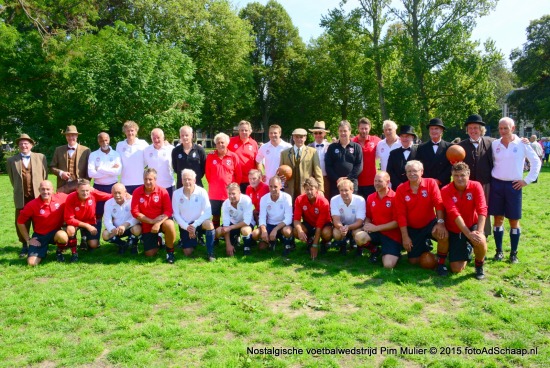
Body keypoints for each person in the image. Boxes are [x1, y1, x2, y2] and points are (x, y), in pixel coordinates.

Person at [489, 117, 541, 264]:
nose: (502, 131)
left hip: (514, 186)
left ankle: (513, 253)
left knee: (513, 220)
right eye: (500, 128)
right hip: (497, 185)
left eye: (506, 128)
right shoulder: (494, 144)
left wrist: (527, 180)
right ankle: (499, 251)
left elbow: (536, 161)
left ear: (513, 128)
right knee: (498, 219)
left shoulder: (522, 143)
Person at [394, 160, 449, 275]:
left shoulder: (431, 183)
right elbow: (401, 214)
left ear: (422, 172)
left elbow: (438, 203)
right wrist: (405, 237)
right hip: (413, 228)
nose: (411, 173)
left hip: (430, 223)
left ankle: (441, 263)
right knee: (413, 261)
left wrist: (440, 223)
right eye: (409, 171)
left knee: (443, 235)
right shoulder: (401, 189)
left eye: (415, 171)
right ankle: (425, 247)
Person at [441, 162, 488, 280]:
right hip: (455, 228)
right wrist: (468, 234)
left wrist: (480, 232)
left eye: (462, 175)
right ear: (452, 175)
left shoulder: (476, 186)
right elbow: (453, 213)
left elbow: (482, 208)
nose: (459, 178)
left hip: (473, 224)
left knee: (480, 240)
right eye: (456, 175)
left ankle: (479, 266)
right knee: (456, 269)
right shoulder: (446, 189)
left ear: (468, 175)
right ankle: (468, 248)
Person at [7, 133, 48, 258]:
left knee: (39, 219)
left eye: (26, 143)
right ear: (18, 146)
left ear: (31, 145)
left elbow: (44, 175)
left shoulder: (40, 157)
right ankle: (24, 244)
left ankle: (39, 242)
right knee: (21, 221)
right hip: (21, 196)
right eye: (21, 144)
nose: (23, 146)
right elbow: (12, 179)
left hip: (37, 196)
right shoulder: (11, 160)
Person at [458, 114, 495, 237]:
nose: (473, 130)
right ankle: (467, 234)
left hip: (485, 183)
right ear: (467, 130)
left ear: (481, 130)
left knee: (483, 209)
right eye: (470, 128)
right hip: (467, 185)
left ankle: (484, 233)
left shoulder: (491, 143)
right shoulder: (460, 146)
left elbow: (508, 141)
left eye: (476, 128)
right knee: (466, 209)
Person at [16, 180, 68, 266]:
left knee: (63, 236)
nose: (45, 192)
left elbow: (76, 196)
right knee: (31, 263)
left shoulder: (61, 198)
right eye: (43, 189)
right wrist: (28, 239)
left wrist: (90, 189)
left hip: (55, 234)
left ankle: (59, 251)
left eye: (48, 189)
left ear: (52, 190)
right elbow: (20, 222)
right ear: (39, 190)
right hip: (40, 236)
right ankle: (42, 251)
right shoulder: (32, 205)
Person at [356, 171, 402, 268]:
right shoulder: (370, 197)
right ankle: (375, 251)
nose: (376, 183)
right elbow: (368, 216)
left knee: (388, 265)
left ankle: (393, 252)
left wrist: (376, 228)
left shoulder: (396, 197)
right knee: (359, 237)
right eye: (375, 181)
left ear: (388, 182)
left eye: (380, 181)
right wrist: (367, 225)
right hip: (376, 232)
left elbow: (397, 223)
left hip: (392, 235)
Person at [131, 168, 177, 263]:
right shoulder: (137, 192)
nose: (147, 182)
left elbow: (168, 211)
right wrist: (152, 221)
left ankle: (170, 252)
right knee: (150, 254)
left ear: (155, 179)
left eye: (150, 179)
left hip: (162, 223)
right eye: (145, 179)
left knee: (170, 224)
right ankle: (159, 240)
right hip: (147, 224)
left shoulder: (163, 191)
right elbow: (135, 212)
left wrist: (158, 223)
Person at [172, 169, 216, 261]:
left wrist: (194, 225)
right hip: (186, 225)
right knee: (188, 252)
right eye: (184, 179)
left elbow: (208, 212)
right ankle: (194, 239)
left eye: (189, 179)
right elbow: (175, 214)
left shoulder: (202, 191)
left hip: (199, 223)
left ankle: (210, 252)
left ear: (194, 180)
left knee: (209, 224)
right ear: (181, 180)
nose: (187, 182)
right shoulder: (176, 194)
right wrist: (187, 227)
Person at [64, 179, 112, 260]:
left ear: (90, 189)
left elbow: (109, 196)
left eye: (87, 190)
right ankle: (74, 253)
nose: (85, 193)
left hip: (90, 221)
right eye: (82, 190)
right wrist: (87, 226)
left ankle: (85, 238)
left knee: (94, 245)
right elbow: (69, 219)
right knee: (70, 229)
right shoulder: (71, 197)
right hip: (77, 222)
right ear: (77, 190)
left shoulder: (93, 193)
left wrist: (125, 195)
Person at [87, 132, 122, 236]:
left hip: (113, 186)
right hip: (98, 187)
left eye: (106, 140)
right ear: (98, 141)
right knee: (97, 214)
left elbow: (118, 172)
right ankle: (95, 238)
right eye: (101, 140)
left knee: (114, 212)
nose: (104, 142)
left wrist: (100, 169)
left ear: (109, 140)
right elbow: (91, 173)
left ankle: (115, 237)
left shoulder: (116, 154)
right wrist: (111, 169)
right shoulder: (93, 155)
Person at [205, 132, 242, 229]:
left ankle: (232, 235)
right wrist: (215, 184)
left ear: (227, 143)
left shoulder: (233, 156)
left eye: (222, 142)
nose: (220, 144)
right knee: (216, 215)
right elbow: (208, 174)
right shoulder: (210, 156)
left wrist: (233, 189)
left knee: (231, 215)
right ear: (215, 144)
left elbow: (239, 175)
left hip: (229, 193)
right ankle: (216, 235)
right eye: (218, 143)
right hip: (215, 193)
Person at [252, 176, 293, 255]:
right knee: (255, 235)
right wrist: (264, 231)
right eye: (271, 186)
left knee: (287, 231)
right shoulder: (264, 198)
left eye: (275, 187)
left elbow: (288, 219)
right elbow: (262, 217)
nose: (273, 189)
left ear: (281, 186)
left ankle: (288, 243)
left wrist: (275, 229)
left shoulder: (287, 197)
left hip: (282, 225)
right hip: (270, 225)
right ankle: (271, 241)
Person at [293, 178, 332, 260]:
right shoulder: (299, 199)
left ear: (317, 189)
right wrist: (300, 231)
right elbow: (296, 219)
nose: (309, 192)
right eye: (307, 189)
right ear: (304, 189)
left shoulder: (323, 202)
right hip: (309, 223)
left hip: (323, 225)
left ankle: (324, 242)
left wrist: (315, 245)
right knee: (296, 231)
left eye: (311, 189)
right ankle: (309, 240)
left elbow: (319, 225)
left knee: (327, 233)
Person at [280, 128, 323, 201]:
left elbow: (318, 172)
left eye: (301, 137)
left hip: (306, 189)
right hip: (290, 190)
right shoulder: (284, 153)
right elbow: (280, 171)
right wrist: (281, 177)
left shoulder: (312, 152)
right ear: (293, 137)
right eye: (297, 137)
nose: (299, 139)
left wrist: (321, 189)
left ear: (305, 138)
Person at [325, 120, 363, 197]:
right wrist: (337, 179)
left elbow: (359, 166)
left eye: (345, 131)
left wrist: (348, 178)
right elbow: (328, 166)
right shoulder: (332, 147)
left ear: (350, 131)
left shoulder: (357, 147)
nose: (343, 133)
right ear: (338, 132)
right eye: (340, 131)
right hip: (336, 185)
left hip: (351, 184)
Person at [102, 183, 142, 254]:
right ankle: (122, 244)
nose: (117, 195)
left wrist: (125, 225)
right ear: (112, 193)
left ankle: (134, 245)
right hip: (117, 229)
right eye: (115, 193)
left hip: (130, 227)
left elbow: (137, 217)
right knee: (105, 235)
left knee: (137, 229)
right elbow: (107, 220)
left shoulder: (132, 200)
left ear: (125, 192)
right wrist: (112, 229)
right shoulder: (108, 203)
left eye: (119, 193)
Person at [50, 125, 91, 193]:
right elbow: (52, 167)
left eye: (73, 135)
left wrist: (85, 184)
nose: (70, 137)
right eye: (68, 135)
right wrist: (61, 173)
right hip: (63, 187)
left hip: (79, 186)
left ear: (77, 136)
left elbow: (89, 170)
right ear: (65, 136)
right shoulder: (59, 150)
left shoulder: (86, 150)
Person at [330, 179, 366, 255]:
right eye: (341, 190)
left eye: (346, 190)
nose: (343, 193)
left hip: (356, 225)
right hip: (342, 225)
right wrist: (341, 228)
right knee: (336, 233)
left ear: (352, 190)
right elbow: (336, 220)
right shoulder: (334, 200)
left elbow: (360, 221)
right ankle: (343, 245)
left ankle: (359, 247)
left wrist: (348, 227)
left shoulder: (360, 200)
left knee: (358, 234)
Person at [217, 183, 254, 256]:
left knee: (245, 230)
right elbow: (226, 225)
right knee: (218, 231)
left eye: (233, 193)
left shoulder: (246, 200)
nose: (231, 196)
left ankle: (247, 247)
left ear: (239, 193)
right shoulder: (225, 204)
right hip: (233, 223)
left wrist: (230, 228)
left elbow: (246, 221)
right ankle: (233, 240)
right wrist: (228, 245)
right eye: (229, 193)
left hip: (245, 224)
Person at [415, 118, 452, 187]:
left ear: (442, 131)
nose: (433, 131)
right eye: (431, 129)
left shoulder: (449, 147)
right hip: (426, 184)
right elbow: (419, 166)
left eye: (436, 128)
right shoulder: (421, 147)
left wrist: (439, 180)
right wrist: (430, 181)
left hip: (444, 184)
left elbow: (451, 166)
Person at [116, 120, 149, 194]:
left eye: (132, 130)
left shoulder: (143, 143)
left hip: (140, 181)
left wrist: (165, 143)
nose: (130, 133)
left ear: (136, 131)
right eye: (128, 131)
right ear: (125, 132)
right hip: (125, 183)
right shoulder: (120, 145)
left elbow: (150, 156)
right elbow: (117, 161)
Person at [352, 117, 381, 199]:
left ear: (370, 128)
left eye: (366, 128)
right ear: (358, 128)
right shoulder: (352, 142)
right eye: (361, 128)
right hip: (356, 181)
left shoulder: (376, 141)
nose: (364, 131)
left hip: (371, 182)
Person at [228, 120, 260, 193]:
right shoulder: (231, 141)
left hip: (249, 179)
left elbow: (257, 161)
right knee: (235, 202)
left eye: (246, 130)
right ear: (238, 131)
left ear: (250, 131)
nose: (244, 132)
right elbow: (222, 151)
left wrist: (259, 175)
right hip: (234, 179)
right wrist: (213, 152)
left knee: (249, 202)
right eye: (242, 130)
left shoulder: (254, 143)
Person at [143, 128, 175, 198]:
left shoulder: (171, 149)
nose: (156, 140)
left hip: (168, 185)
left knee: (169, 208)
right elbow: (142, 165)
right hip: (153, 187)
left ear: (163, 138)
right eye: (154, 138)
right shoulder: (146, 150)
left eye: (158, 138)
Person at [386, 125, 418, 190]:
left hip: (415, 187)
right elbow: (389, 171)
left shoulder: (419, 151)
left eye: (407, 136)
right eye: (402, 136)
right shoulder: (393, 153)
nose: (404, 138)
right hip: (398, 188)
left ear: (412, 137)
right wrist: (399, 184)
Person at [308, 121, 331, 195]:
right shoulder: (308, 147)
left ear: (325, 133)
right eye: (315, 133)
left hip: (327, 178)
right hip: (313, 178)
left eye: (320, 133)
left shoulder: (330, 147)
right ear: (313, 134)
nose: (318, 135)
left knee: (326, 200)